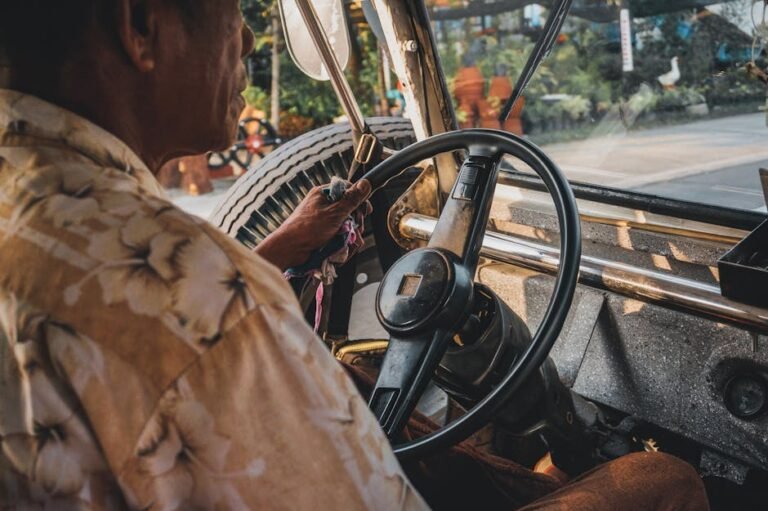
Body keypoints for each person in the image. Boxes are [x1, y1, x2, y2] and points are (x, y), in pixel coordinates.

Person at [0, 1, 709, 510]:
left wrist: (281, 247)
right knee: (662, 483)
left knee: (358, 372)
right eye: (232, 12)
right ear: (142, 26)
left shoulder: (41, 203)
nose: (246, 37)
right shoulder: (211, 303)